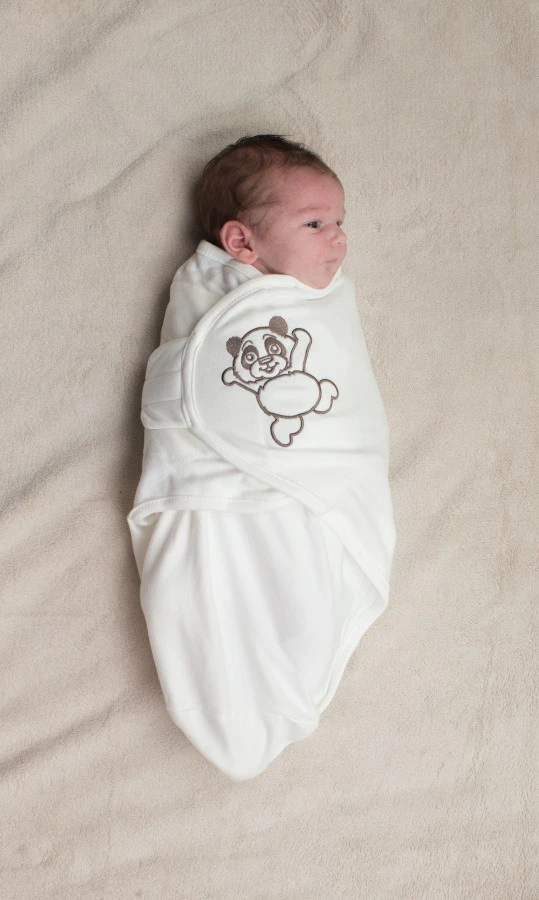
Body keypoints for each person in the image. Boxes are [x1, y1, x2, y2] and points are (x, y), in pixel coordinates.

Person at [128, 135, 396, 780]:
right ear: (241, 243)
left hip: (307, 489)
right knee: (207, 590)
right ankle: (228, 704)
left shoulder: (323, 303)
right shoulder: (203, 290)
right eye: (315, 224)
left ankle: (286, 681)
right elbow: (187, 376)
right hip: (212, 490)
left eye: (340, 222)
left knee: (301, 590)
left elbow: (347, 398)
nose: (338, 239)